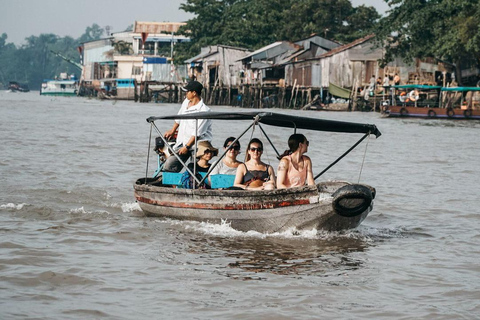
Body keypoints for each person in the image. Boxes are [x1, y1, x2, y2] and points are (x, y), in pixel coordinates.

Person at [163, 80, 212, 172]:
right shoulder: (186, 102)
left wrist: (187, 147)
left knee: (195, 170)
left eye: (187, 91)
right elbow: (179, 117)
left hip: (198, 144)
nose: (185, 93)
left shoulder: (204, 111)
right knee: (169, 166)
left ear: (194, 93)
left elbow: (197, 133)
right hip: (182, 141)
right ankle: (171, 185)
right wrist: (173, 130)